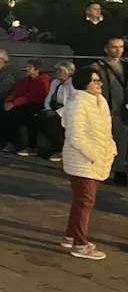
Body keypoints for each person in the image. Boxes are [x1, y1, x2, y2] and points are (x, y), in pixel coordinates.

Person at [60, 66, 113, 260]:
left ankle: (70, 236)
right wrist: (92, 154)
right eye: (94, 80)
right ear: (84, 83)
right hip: (82, 160)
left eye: (99, 80)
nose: (99, 83)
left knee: (82, 201)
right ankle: (80, 244)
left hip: (98, 157)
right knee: (85, 202)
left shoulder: (101, 101)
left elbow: (106, 130)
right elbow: (75, 135)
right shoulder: (77, 102)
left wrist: (111, 149)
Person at [0, 60, 50, 155]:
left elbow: (31, 97)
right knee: (4, 111)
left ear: (37, 69)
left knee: (27, 116)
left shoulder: (42, 81)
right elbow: (16, 92)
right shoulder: (25, 80)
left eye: (30, 67)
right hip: (23, 104)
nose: (27, 69)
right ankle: (6, 140)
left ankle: (30, 147)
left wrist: (14, 103)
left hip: (36, 105)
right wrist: (8, 101)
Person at [92, 38, 128, 184]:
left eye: (121, 47)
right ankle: (100, 170)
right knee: (102, 141)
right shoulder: (97, 67)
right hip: (104, 110)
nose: (118, 50)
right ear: (106, 49)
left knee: (122, 142)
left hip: (122, 111)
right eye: (114, 47)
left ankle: (119, 171)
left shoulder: (125, 66)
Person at [37, 62, 75, 161]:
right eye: (57, 71)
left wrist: (57, 113)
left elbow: (71, 103)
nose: (57, 73)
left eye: (60, 71)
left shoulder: (73, 84)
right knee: (40, 116)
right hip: (54, 107)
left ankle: (62, 149)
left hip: (67, 111)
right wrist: (48, 108)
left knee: (52, 121)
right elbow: (48, 97)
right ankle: (44, 149)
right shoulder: (55, 82)